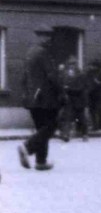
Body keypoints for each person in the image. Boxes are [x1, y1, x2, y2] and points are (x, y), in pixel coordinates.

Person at [18, 25, 63, 171]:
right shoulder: (43, 53)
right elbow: (52, 76)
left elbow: (23, 77)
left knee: (41, 129)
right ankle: (27, 147)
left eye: (49, 36)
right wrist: (62, 92)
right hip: (45, 98)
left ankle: (41, 162)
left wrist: (26, 95)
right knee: (50, 127)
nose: (48, 39)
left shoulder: (29, 53)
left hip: (33, 98)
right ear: (40, 37)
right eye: (46, 36)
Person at [62, 56, 89, 141]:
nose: (71, 66)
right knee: (68, 117)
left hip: (79, 100)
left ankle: (84, 134)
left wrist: (68, 88)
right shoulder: (69, 74)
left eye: (73, 64)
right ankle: (66, 135)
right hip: (71, 100)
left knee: (81, 118)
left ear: (76, 65)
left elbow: (80, 88)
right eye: (70, 64)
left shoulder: (81, 74)